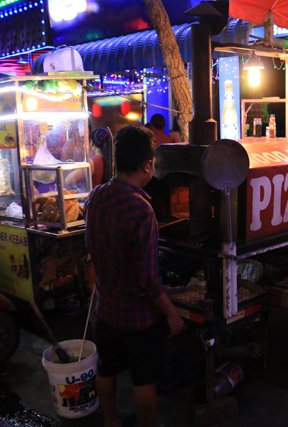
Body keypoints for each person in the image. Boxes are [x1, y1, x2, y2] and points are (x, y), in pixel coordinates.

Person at [85, 125, 185, 427]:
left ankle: (110, 421)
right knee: (143, 379)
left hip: (106, 309)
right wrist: (172, 314)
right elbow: (148, 279)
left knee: (107, 368)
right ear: (148, 165)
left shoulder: (96, 196)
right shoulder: (141, 209)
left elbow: (92, 250)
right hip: (138, 317)